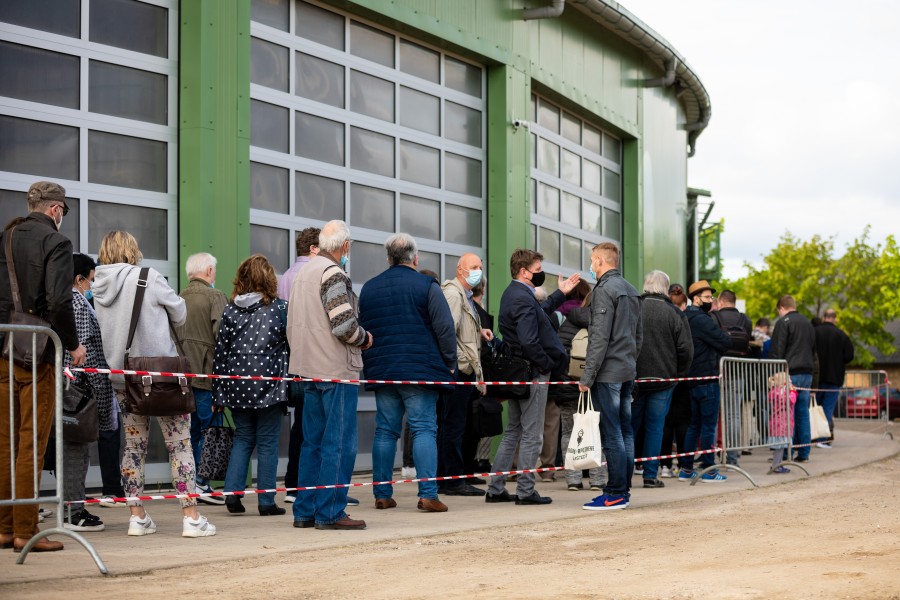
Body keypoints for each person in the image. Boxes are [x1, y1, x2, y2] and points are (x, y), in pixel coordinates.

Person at [93, 231, 216, 538]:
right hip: (162, 377)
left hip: (124, 379)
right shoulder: (149, 277)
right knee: (179, 444)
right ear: (132, 250)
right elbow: (181, 313)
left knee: (133, 448)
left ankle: (137, 516)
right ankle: (191, 517)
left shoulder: (98, 286)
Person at [0, 181, 86, 552]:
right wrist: (73, 343)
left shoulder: (5, 237)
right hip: (36, 352)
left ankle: (4, 528)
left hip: (2, 348)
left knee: (5, 442)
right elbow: (58, 301)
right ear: (55, 210)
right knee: (31, 442)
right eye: (63, 211)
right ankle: (26, 530)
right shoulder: (57, 243)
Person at [359, 234, 457, 512]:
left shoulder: (370, 288)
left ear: (389, 258)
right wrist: (449, 362)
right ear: (415, 258)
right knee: (424, 428)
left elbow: (364, 328)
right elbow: (445, 328)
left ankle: (381, 493)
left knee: (385, 431)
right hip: (419, 370)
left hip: (383, 369)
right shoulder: (427, 285)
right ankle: (428, 494)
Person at [287, 220, 371, 530]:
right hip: (334, 369)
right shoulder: (332, 272)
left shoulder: (303, 273)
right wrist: (366, 338)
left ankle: (305, 510)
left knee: (313, 443)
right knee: (339, 443)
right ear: (345, 246)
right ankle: (331, 512)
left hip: (307, 368)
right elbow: (344, 325)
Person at [486, 249, 580, 507]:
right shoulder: (522, 298)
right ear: (524, 271)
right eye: (538, 270)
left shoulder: (514, 294)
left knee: (514, 431)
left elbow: (539, 312)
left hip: (521, 371)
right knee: (532, 433)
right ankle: (526, 490)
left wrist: (561, 293)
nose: (541, 274)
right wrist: (546, 364)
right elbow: (529, 340)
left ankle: (495, 488)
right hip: (533, 372)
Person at [213, 255, 289, 516]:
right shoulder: (280, 309)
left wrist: (218, 391)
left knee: (243, 439)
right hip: (269, 385)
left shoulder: (230, 309)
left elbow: (220, 352)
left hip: (236, 385)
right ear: (268, 279)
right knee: (267, 442)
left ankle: (232, 496)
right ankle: (266, 501)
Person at [577, 243, 642, 511]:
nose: (591, 266)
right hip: (626, 370)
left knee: (612, 433)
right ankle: (622, 490)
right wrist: (631, 365)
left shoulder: (604, 291)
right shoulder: (631, 290)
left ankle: (615, 492)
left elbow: (599, 339)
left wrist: (586, 377)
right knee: (625, 432)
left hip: (608, 373)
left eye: (592, 261)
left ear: (601, 261)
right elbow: (639, 337)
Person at [62, 254, 116, 532]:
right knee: (76, 451)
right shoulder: (77, 303)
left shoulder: (71, 302)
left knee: (75, 450)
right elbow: (79, 353)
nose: (92, 285)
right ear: (79, 279)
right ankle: (73, 511)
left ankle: (73, 508)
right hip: (80, 391)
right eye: (91, 280)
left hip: (76, 389)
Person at [437, 253, 492, 497]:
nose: (478, 271)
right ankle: (452, 480)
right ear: (460, 270)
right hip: (458, 370)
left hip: (464, 369)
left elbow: (462, 331)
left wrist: (479, 332)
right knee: (453, 427)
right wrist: (457, 363)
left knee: (456, 425)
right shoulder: (453, 293)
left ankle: (448, 478)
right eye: (473, 267)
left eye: (480, 267)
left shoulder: (466, 296)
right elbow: (448, 331)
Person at [632, 271, 692, 489]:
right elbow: (686, 349)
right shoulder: (675, 314)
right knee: (655, 428)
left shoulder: (634, 308)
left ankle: (624, 473)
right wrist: (679, 374)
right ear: (665, 288)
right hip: (664, 379)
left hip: (635, 379)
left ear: (646, 285)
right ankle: (650, 475)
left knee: (631, 427)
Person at [178, 252, 228, 506]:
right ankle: (202, 483)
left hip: (180, 377)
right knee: (209, 432)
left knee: (188, 433)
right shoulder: (215, 296)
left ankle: (188, 483)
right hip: (206, 376)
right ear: (209, 271)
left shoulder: (178, 297)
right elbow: (224, 339)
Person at [276, 228, 320, 504]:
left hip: (289, 362)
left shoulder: (284, 278)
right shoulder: (312, 276)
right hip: (310, 360)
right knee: (312, 424)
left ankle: (294, 484)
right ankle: (305, 487)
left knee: (300, 424)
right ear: (314, 249)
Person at [677, 280, 732, 483]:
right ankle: (709, 469)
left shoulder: (686, 317)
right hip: (707, 377)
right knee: (708, 426)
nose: (711, 301)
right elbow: (725, 342)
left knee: (695, 425)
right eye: (708, 297)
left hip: (693, 378)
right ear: (696, 298)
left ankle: (686, 468)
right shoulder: (702, 320)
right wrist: (720, 342)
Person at [554, 292, 606, 491]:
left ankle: (573, 479)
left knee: (568, 432)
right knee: (596, 432)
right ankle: (597, 479)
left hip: (567, 387)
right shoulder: (602, 324)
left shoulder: (568, 323)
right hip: (593, 386)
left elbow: (557, 354)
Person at [769, 295, 817, 463]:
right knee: (802, 413)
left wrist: (774, 373)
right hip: (807, 372)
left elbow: (777, 350)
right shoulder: (808, 323)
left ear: (781, 308)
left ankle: (784, 452)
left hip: (789, 372)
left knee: (784, 413)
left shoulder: (784, 323)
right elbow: (813, 350)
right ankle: (803, 452)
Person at [712, 289, 753, 466]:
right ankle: (732, 458)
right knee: (734, 415)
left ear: (720, 301)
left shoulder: (714, 318)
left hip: (718, 371)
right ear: (734, 302)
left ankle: (711, 456)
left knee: (714, 415)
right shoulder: (746, 321)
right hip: (738, 372)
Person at [659, 284, 690, 478]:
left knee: (665, 423)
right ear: (684, 303)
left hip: (663, 375)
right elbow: (686, 349)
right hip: (681, 376)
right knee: (683, 424)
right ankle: (683, 463)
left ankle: (665, 465)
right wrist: (683, 371)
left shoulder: (662, 316)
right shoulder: (682, 318)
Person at [814, 308, 854, 446]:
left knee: (815, 408)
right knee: (828, 409)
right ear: (835, 318)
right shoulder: (841, 335)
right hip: (834, 378)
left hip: (817, 378)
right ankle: (823, 440)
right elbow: (849, 356)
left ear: (824, 317)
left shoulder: (815, 332)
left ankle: (812, 437)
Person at [767, 372, 796, 474]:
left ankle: (778, 465)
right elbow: (791, 401)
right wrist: (792, 392)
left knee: (781, 447)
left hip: (779, 424)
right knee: (779, 448)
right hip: (781, 424)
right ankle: (776, 466)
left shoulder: (775, 392)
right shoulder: (780, 393)